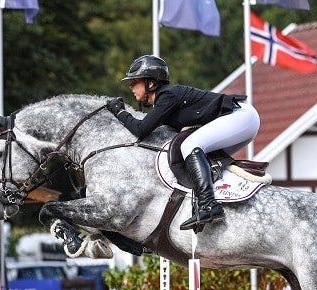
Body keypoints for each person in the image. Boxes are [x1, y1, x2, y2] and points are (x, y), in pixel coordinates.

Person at [105, 55, 261, 232]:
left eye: (135, 82)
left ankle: (209, 205)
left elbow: (141, 130)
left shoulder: (167, 95)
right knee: (200, 156)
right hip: (243, 120)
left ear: (151, 83)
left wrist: (119, 112)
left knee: (190, 145)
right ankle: (216, 201)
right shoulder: (165, 100)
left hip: (241, 117)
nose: (131, 86)